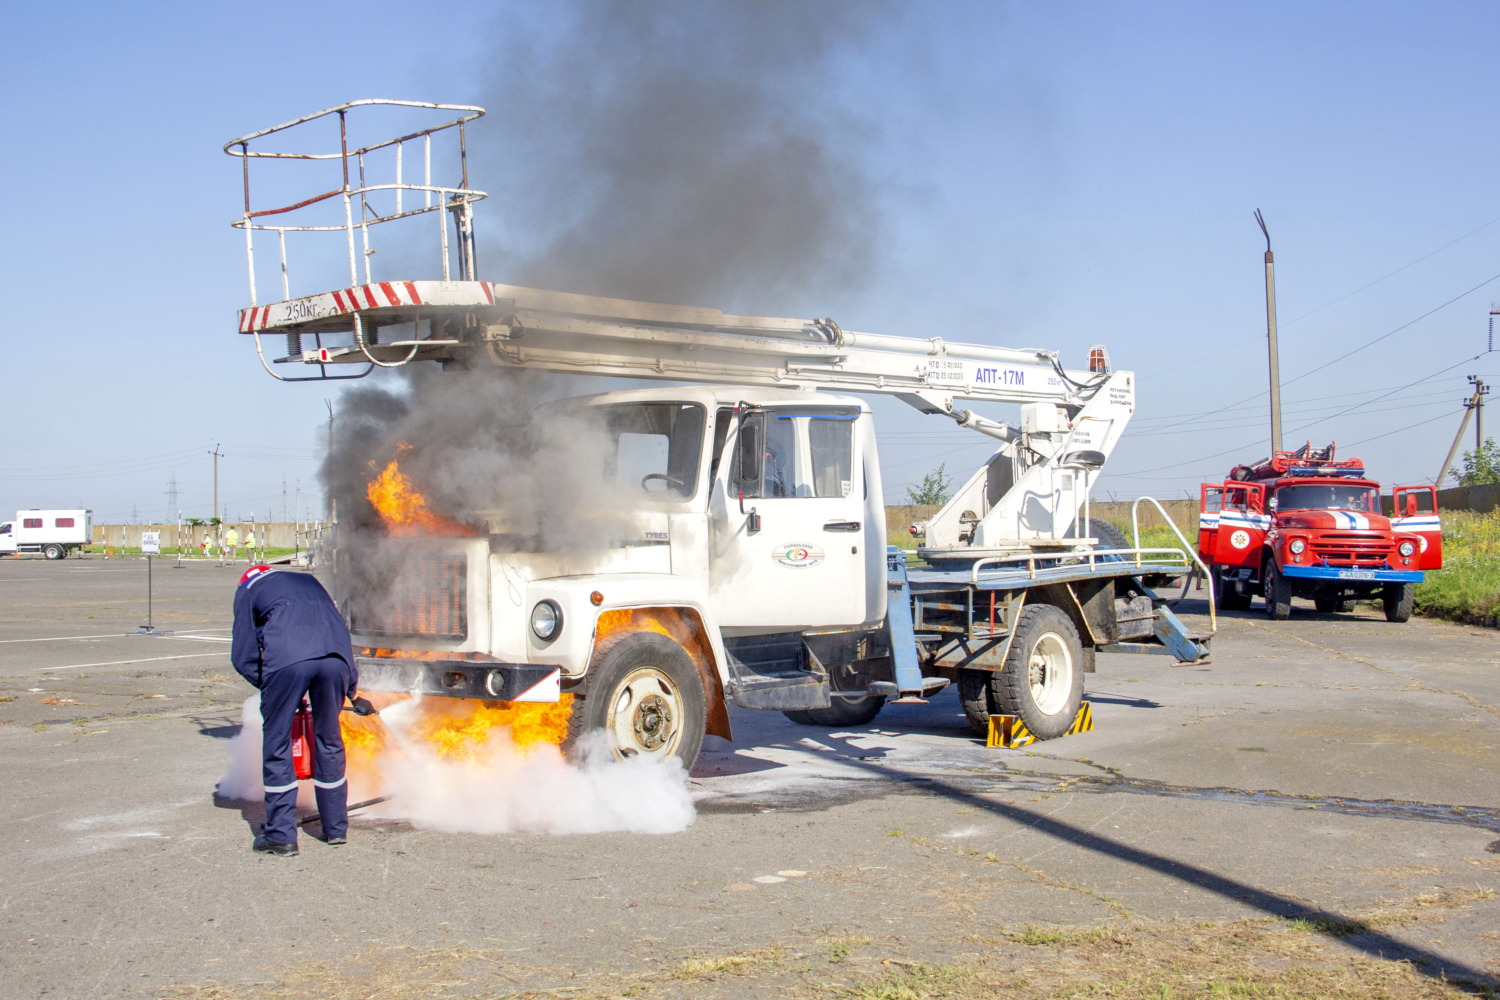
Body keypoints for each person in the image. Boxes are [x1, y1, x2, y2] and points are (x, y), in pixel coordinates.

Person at [230, 565, 374, 856]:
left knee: (278, 743)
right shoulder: (310, 583)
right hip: (336, 660)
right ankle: (335, 828)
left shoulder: (248, 589)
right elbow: (338, 631)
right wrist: (352, 691)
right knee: (329, 740)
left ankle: (281, 835)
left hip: (287, 661)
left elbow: (243, 657)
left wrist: (274, 687)